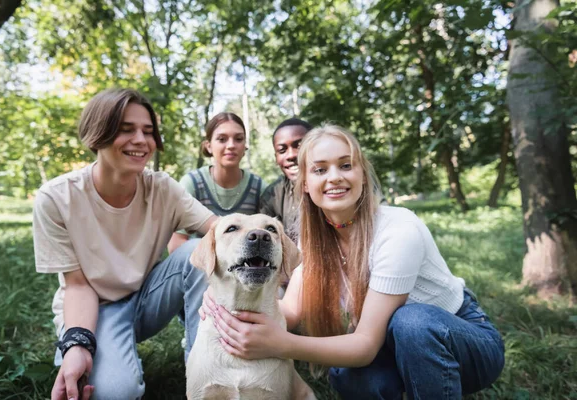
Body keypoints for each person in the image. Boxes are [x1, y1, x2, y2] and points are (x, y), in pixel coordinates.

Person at [204, 124, 505, 399]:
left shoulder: (398, 229)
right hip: (393, 346)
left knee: (411, 322)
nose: (334, 177)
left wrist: (280, 343)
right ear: (306, 183)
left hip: (465, 342)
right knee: (345, 375)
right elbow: (292, 310)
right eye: (320, 170)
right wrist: (227, 304)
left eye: (345, 165)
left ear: (362, 173)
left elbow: (364, 346)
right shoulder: (315, 239)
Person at [33, 88, 217, 400]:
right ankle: (103, 353)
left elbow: (219, 229)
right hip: (94, 309)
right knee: (115, 393)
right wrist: (77, 344)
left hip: (147, 297)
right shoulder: (56, 198)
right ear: (97, 134)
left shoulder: (163, 189)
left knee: (201, 249)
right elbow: (77, 286)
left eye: (148, 131)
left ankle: (207, 376)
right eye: (126, 129)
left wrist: (273, 244)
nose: (141, 141)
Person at [167, 112, 264, 253]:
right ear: (208, 146)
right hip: (198, 267)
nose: (231, 145)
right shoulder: (192, 184)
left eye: (238, 139)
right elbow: (176, 244)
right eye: (222, 139)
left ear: (245, 146)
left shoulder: (259, 188)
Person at [260, 118, 313, 243]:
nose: (291, 155)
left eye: (299, 146)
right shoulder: (272, 195)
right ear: (276, 157)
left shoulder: (331, 185)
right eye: (282, 150)